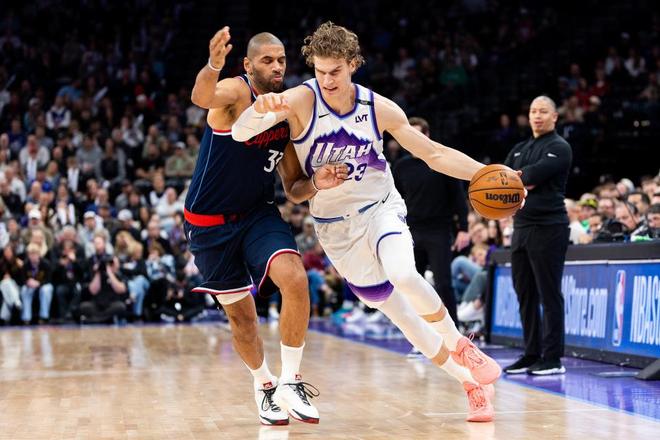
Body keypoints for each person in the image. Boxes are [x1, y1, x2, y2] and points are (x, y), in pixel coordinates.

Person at [233, 21, 513, 422]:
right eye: (320, 71)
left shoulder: (377, 107)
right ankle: (470, 383)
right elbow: (239, 133)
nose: (327, 80)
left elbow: (433, 154)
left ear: (353, 64)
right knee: (403, 318)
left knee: (404, 273)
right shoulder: (299, 101)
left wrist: (485, 172)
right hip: (336, 229)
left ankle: (462, 346)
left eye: (335, 71)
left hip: (381, 208)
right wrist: (258, 111)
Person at [186, 27, 331, 425]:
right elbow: (201, 97)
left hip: (257, 215)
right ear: (248, 65)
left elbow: (294, 188)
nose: (277, 66)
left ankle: (291, 381)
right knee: (243, 321)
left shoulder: (287, 112)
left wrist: (319, 182)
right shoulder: (236, 91)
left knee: (295, 278)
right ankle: (264, 385)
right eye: (267, 60)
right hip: (210, 224)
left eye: (281, 59)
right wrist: (213, 64)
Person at [502, 96, 572, 375]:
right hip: (521, 227)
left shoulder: (559, 146)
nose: (537, 115)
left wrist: (518, 178)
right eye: (533, 111)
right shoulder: (520, 148)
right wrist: (514, 179)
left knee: (549, 293)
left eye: (543, 111)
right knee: (525, 293)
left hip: (549, 227)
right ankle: (531, 354)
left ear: (555, 116)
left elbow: (528, 177)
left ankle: (553, 358)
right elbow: (502, 179)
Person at [392, 116, 470, 325]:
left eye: (417, 134)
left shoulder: (441, 161)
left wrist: (463, 228)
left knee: (444, 283)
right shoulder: (400, 167)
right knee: (412, 285)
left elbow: (458, 198)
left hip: (439, 231)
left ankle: (455, 331)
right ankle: (420, 332)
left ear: (427, 136)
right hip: (411, 231)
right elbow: (393, 199)